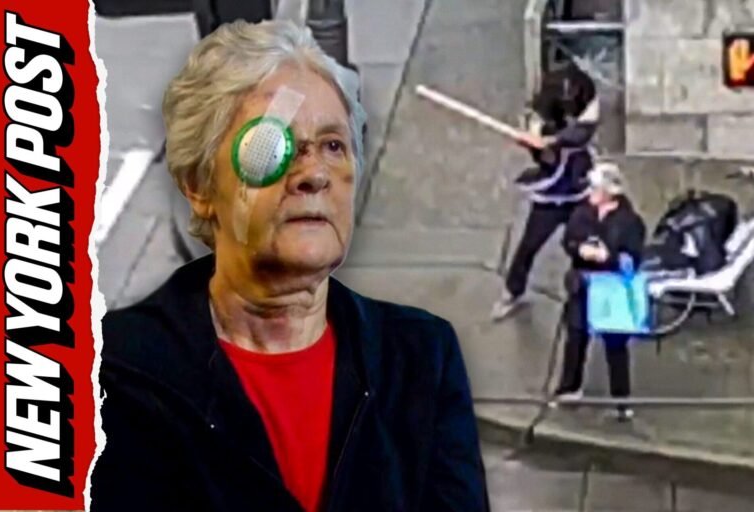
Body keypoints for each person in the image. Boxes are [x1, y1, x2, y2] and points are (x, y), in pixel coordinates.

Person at [90, 20, 489, 512]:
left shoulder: (420, 359)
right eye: (269, 148)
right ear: (199, 186)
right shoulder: (116, 375)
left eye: (333, 146)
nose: (314, 174)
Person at [491, 61, 599, 320]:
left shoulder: (587, 104)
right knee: (529, 245)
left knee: (585, 247)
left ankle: (590, 294)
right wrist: (534, 142)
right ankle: (513, 291)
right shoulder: (543, 111)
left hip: (579, 191)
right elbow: (541, 147)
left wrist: (552, 141)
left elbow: (581, 134)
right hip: (551, 196)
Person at [553, 162, 646, 422]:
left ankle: (621, 400)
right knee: (575, 337)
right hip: (583, 283)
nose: (590, 192)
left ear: (609, 192)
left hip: (611, 288)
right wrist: (578, 249)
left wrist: (609, 257)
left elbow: (632, 260)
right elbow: (568, 239)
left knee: (615, 344)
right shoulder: (582, 212)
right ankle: (569, 388)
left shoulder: (630, 222)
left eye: (595, 188)